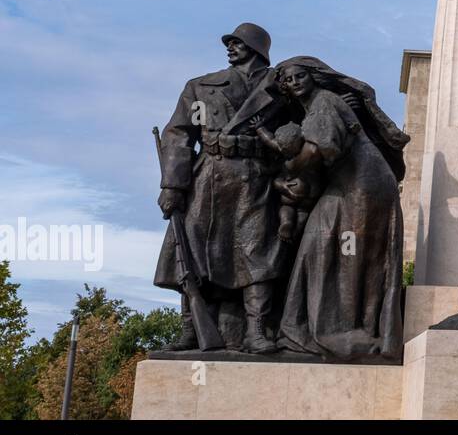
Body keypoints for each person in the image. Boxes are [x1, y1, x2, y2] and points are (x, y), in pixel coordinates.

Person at [154, 22, 288, 353]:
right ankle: (191, 330)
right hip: (208, 178)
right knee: (194, 253)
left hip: (257, 177)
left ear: (257, 48)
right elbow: (178, 135)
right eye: (229, 43)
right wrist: (173, 185)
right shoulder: (201, 87)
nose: (230, 47)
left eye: (238, 42)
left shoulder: (281, 88)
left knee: (258, 253)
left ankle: (256, 331)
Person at [271, 57, 409, 361]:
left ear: (315, 77)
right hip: (351, 185)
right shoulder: (316, 107)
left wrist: (287, 169)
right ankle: (314, 327)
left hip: (363, 185)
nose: (294, 83)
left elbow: (319, 149)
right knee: (320, 245)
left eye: (300, 76)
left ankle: (348, 332)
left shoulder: (324, 102)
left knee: (349, 252)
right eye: (289, 79)